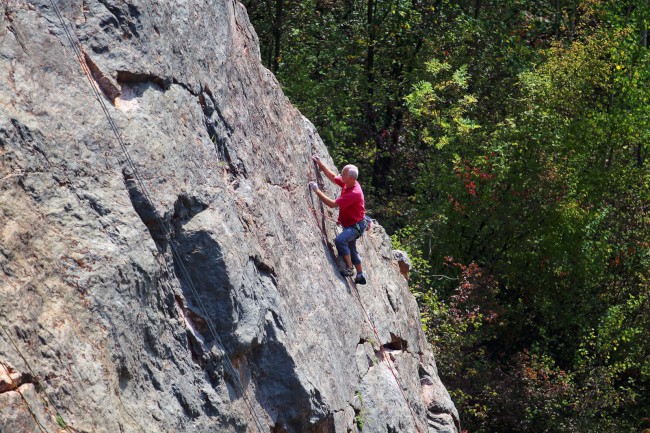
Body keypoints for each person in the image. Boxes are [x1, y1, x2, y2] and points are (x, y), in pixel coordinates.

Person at [309, 154, 368, 284]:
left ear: (351, 178)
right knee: (352, 249)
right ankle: (360, 275)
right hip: (353, 223)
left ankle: (349, 268)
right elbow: (333, 177)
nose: (341, 176)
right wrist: (321, 164)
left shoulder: (354, 193)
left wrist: (316, 190)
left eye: (344, 174)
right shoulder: (348, 183)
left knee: (340, 241)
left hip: (355, 226)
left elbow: (332, 204)